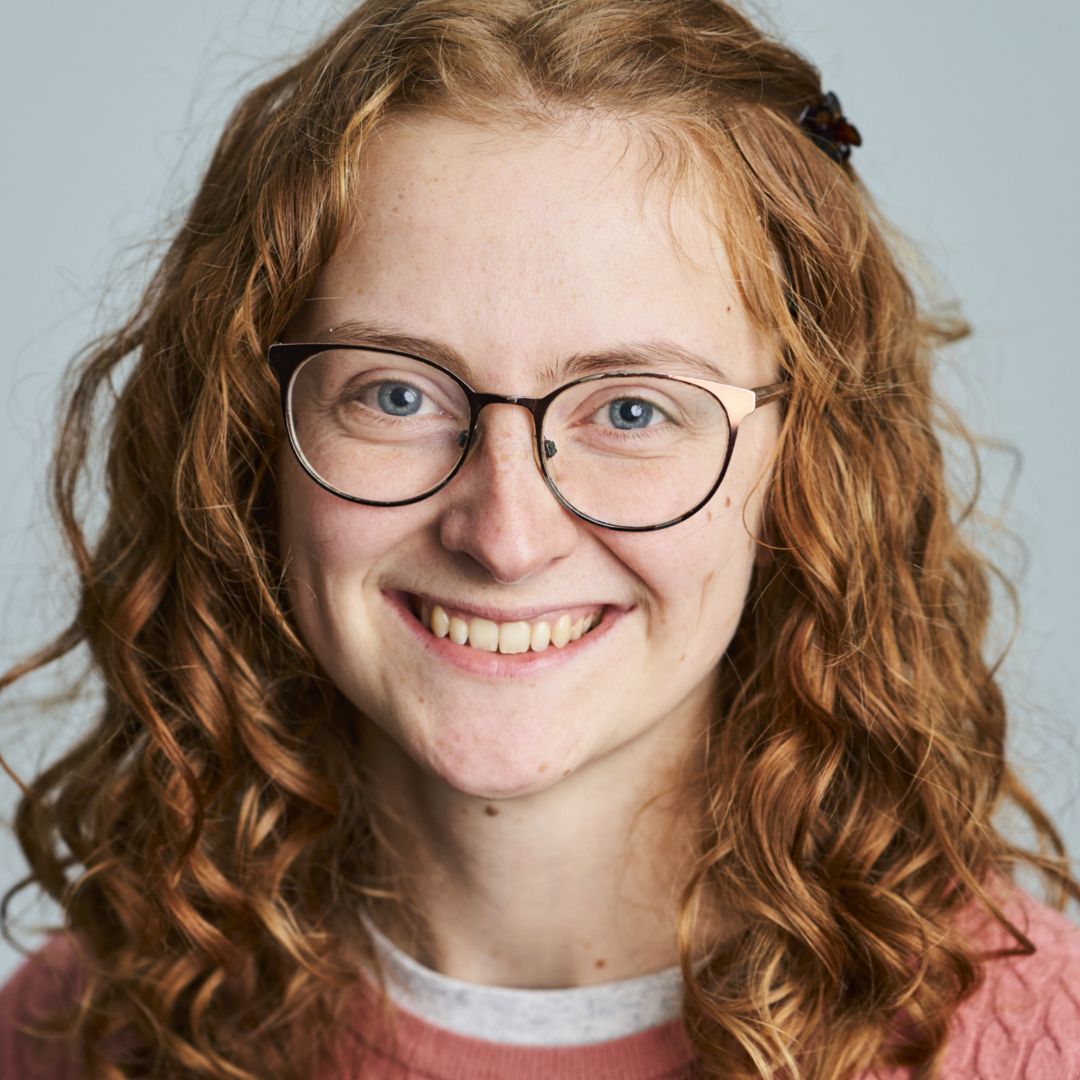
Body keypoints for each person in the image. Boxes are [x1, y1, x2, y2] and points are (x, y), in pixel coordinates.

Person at [1, 1, 1078, 1077]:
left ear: (807, 462)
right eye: (394, 393)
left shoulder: (1034, 1046)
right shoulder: (82, 1026)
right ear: (249, 445)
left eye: (632, 410)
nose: (505, 536)